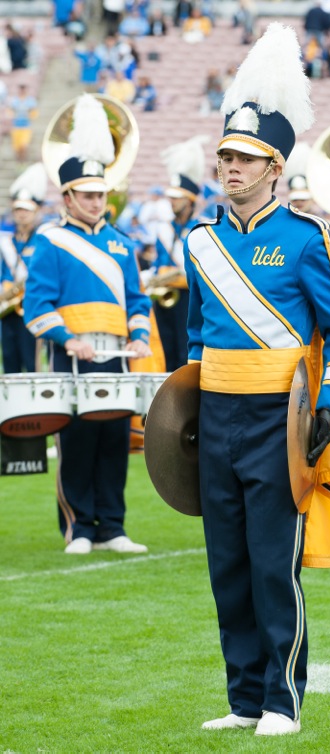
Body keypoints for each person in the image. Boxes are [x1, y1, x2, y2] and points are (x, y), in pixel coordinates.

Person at [182, 23, 330, 736]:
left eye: (245, 158)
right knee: (228, 568)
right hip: (214, 422)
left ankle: (282, 700)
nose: (231, 168)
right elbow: (193, 337)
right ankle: (244, 698)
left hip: (279, 419)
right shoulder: (199, 245)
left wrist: (329, 405)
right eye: (225, 157)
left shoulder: (309, 239)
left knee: (275, 567)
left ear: (275, 167)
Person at [23, 94, 151, 555]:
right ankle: (79, 528)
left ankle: (113, 526)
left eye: (101, 194)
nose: (97, 202)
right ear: (68, 196)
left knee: (113, 440)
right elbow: (35, 304)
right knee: (76, 441)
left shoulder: (122, 243)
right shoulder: (50, 241)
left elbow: (138, 300)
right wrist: (67, 338)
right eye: (88, 195)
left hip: (116, 359)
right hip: (71, 359)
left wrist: (138, 337)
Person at [151, 136, 208, 371]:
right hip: (164, 299)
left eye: (178, 197)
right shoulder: (163, 229)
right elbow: (158, 263)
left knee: (185, 353)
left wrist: (172, 276)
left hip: (188, 300)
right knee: (166, 352)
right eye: (171, 197)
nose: (172, 201)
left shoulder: (202, 229)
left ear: (190, 200)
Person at [0, 164, 47, 373]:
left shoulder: (43, 239)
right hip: (8, 308)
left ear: (36, 211)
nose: (22, 215)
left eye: (26, 210)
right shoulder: (7, 242)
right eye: (18, 209)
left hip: (31, 307)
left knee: (31, 360)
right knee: (9, 358)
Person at [7, 84, 38, 163]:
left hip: (25, 127)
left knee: (24, 146)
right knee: (17, 148)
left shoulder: (30, 101)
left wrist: (30, 114)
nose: (22, 91)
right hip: (16, 127)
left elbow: (34, 112)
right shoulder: (15, 101)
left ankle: (23, 162)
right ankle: (18, 163)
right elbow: (10, 111)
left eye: (23, 90)